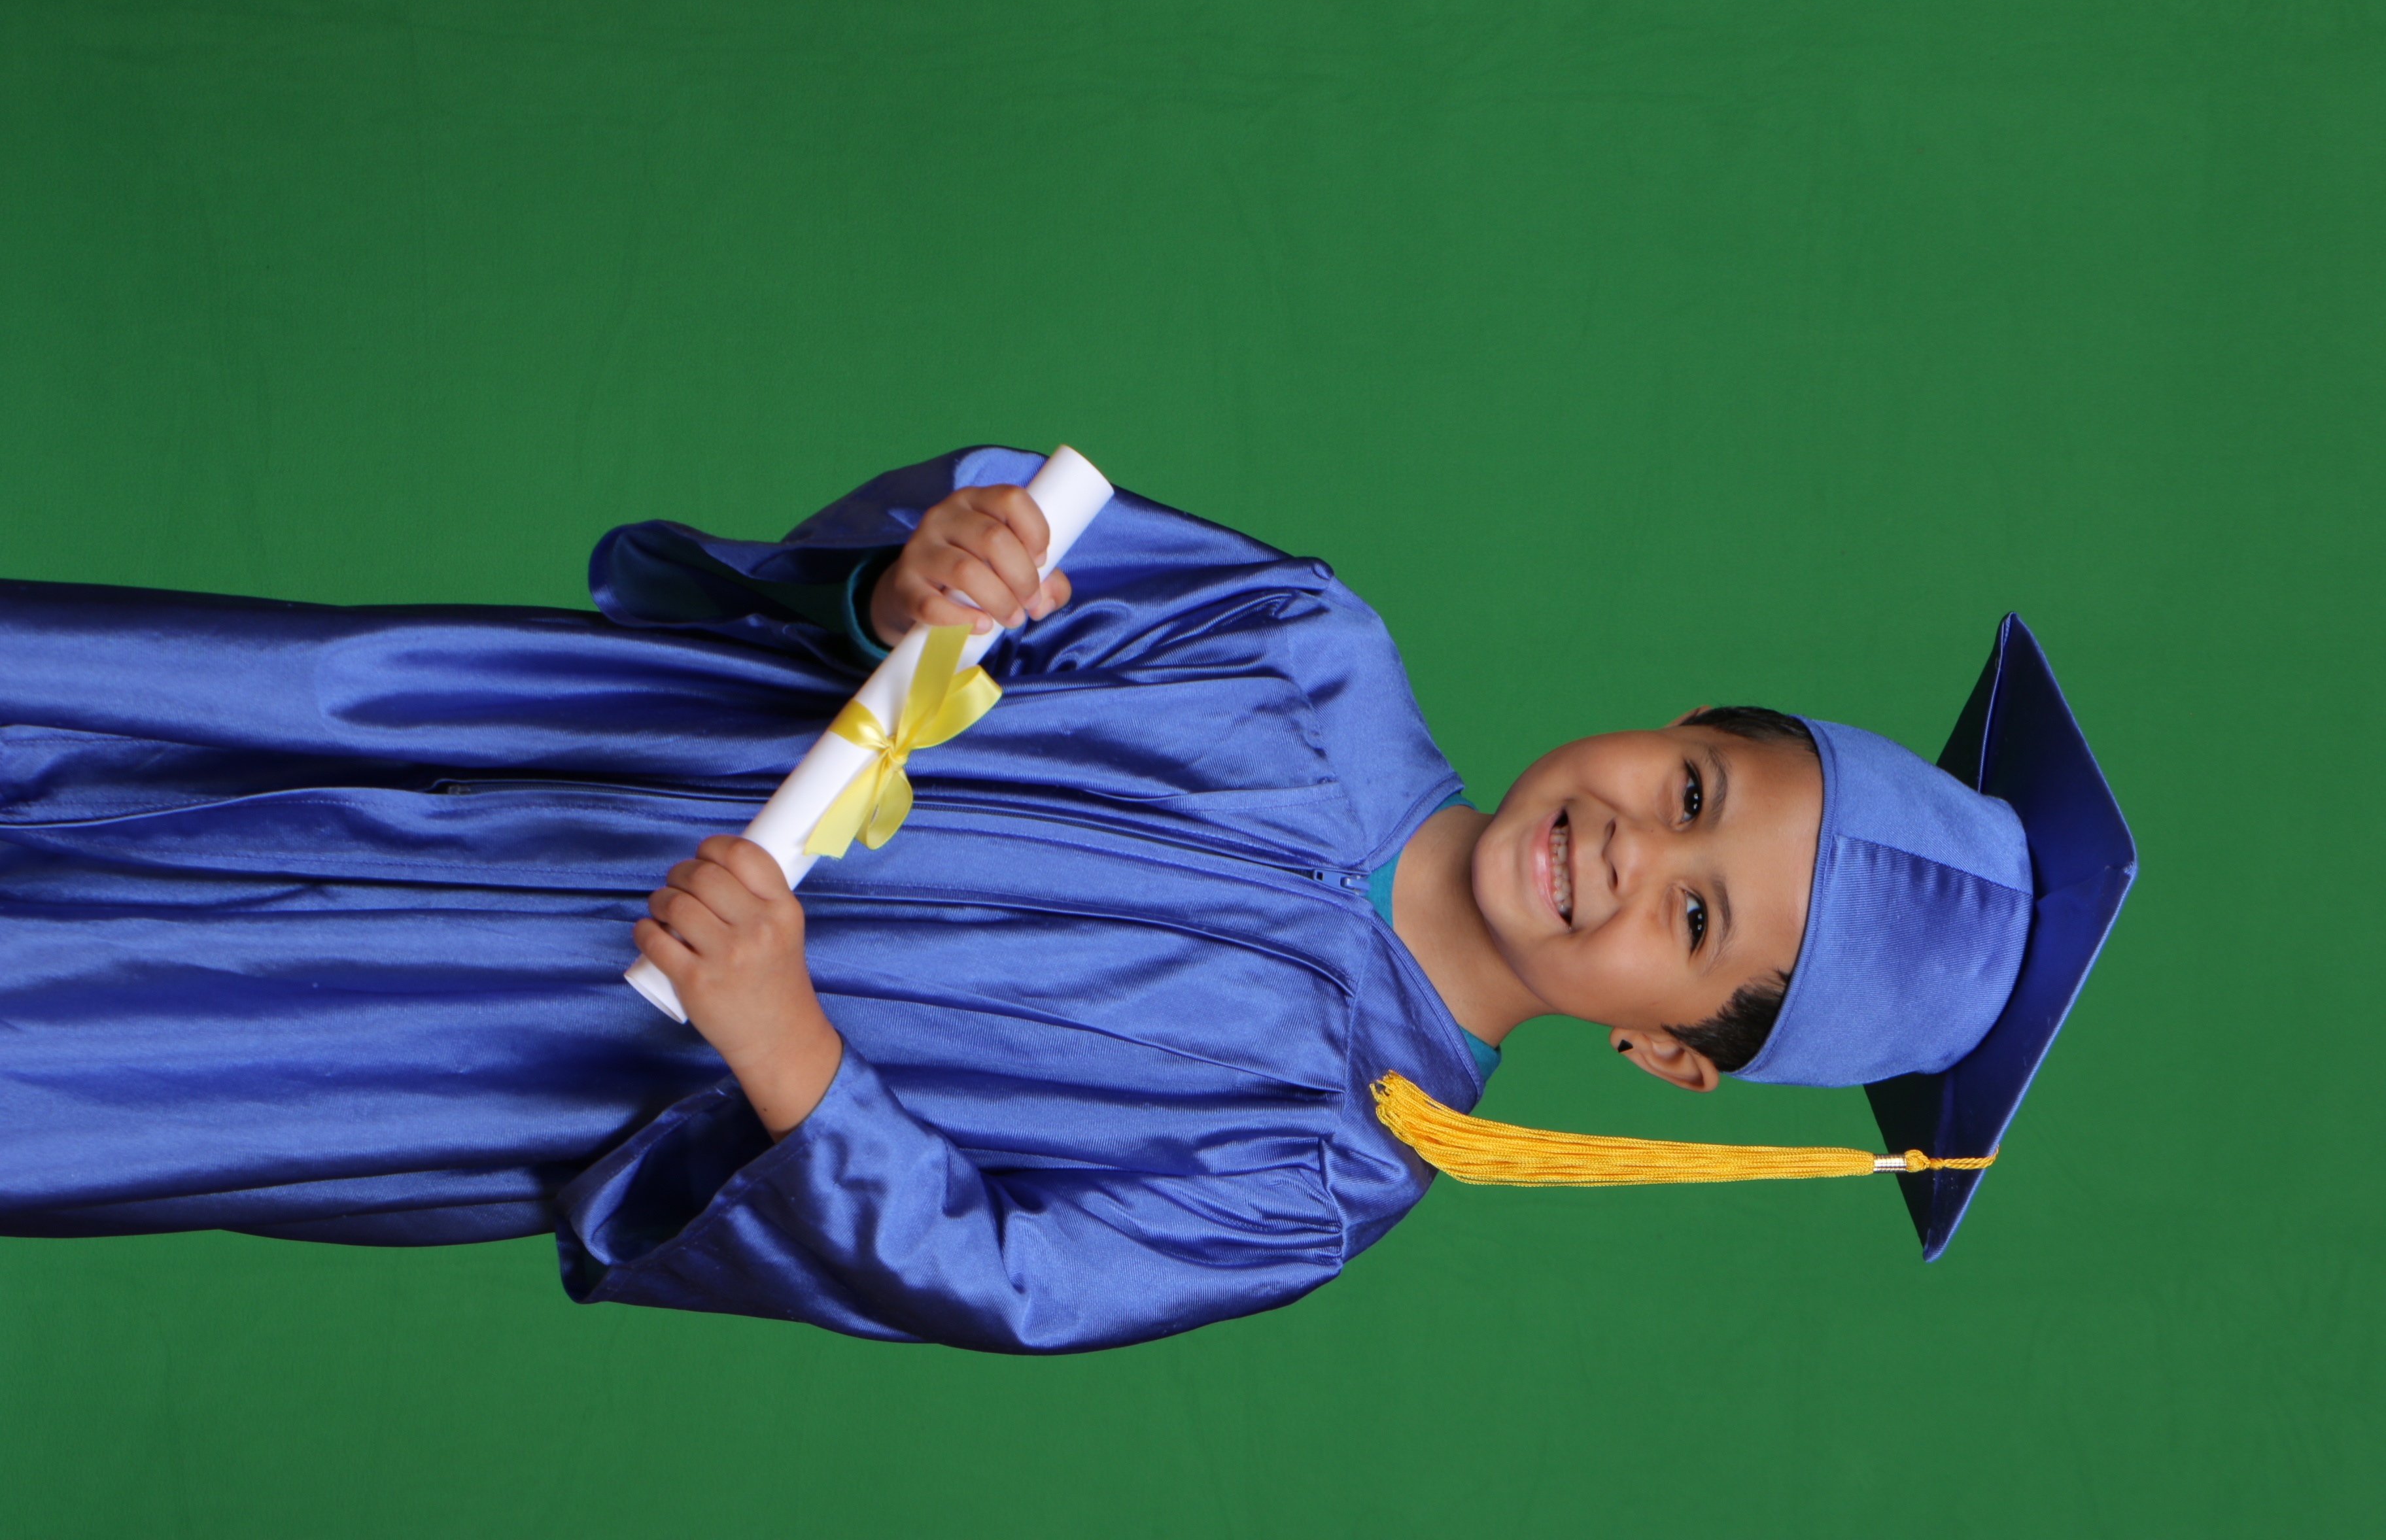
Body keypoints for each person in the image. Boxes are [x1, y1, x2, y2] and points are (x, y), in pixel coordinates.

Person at [0, 446, 2132, 1350]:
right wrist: (911, 575)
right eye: (1692, 794)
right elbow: (960, 563)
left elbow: (1001, 1275)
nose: (1632, 854)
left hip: (507, 1040)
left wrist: (793, 1055)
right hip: (543, 750)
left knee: (100, 1035)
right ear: (1673, 723)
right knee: (118, 729)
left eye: (1696, 923)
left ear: (1667, 1051)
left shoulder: (1324, 1174)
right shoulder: (1310, 651)